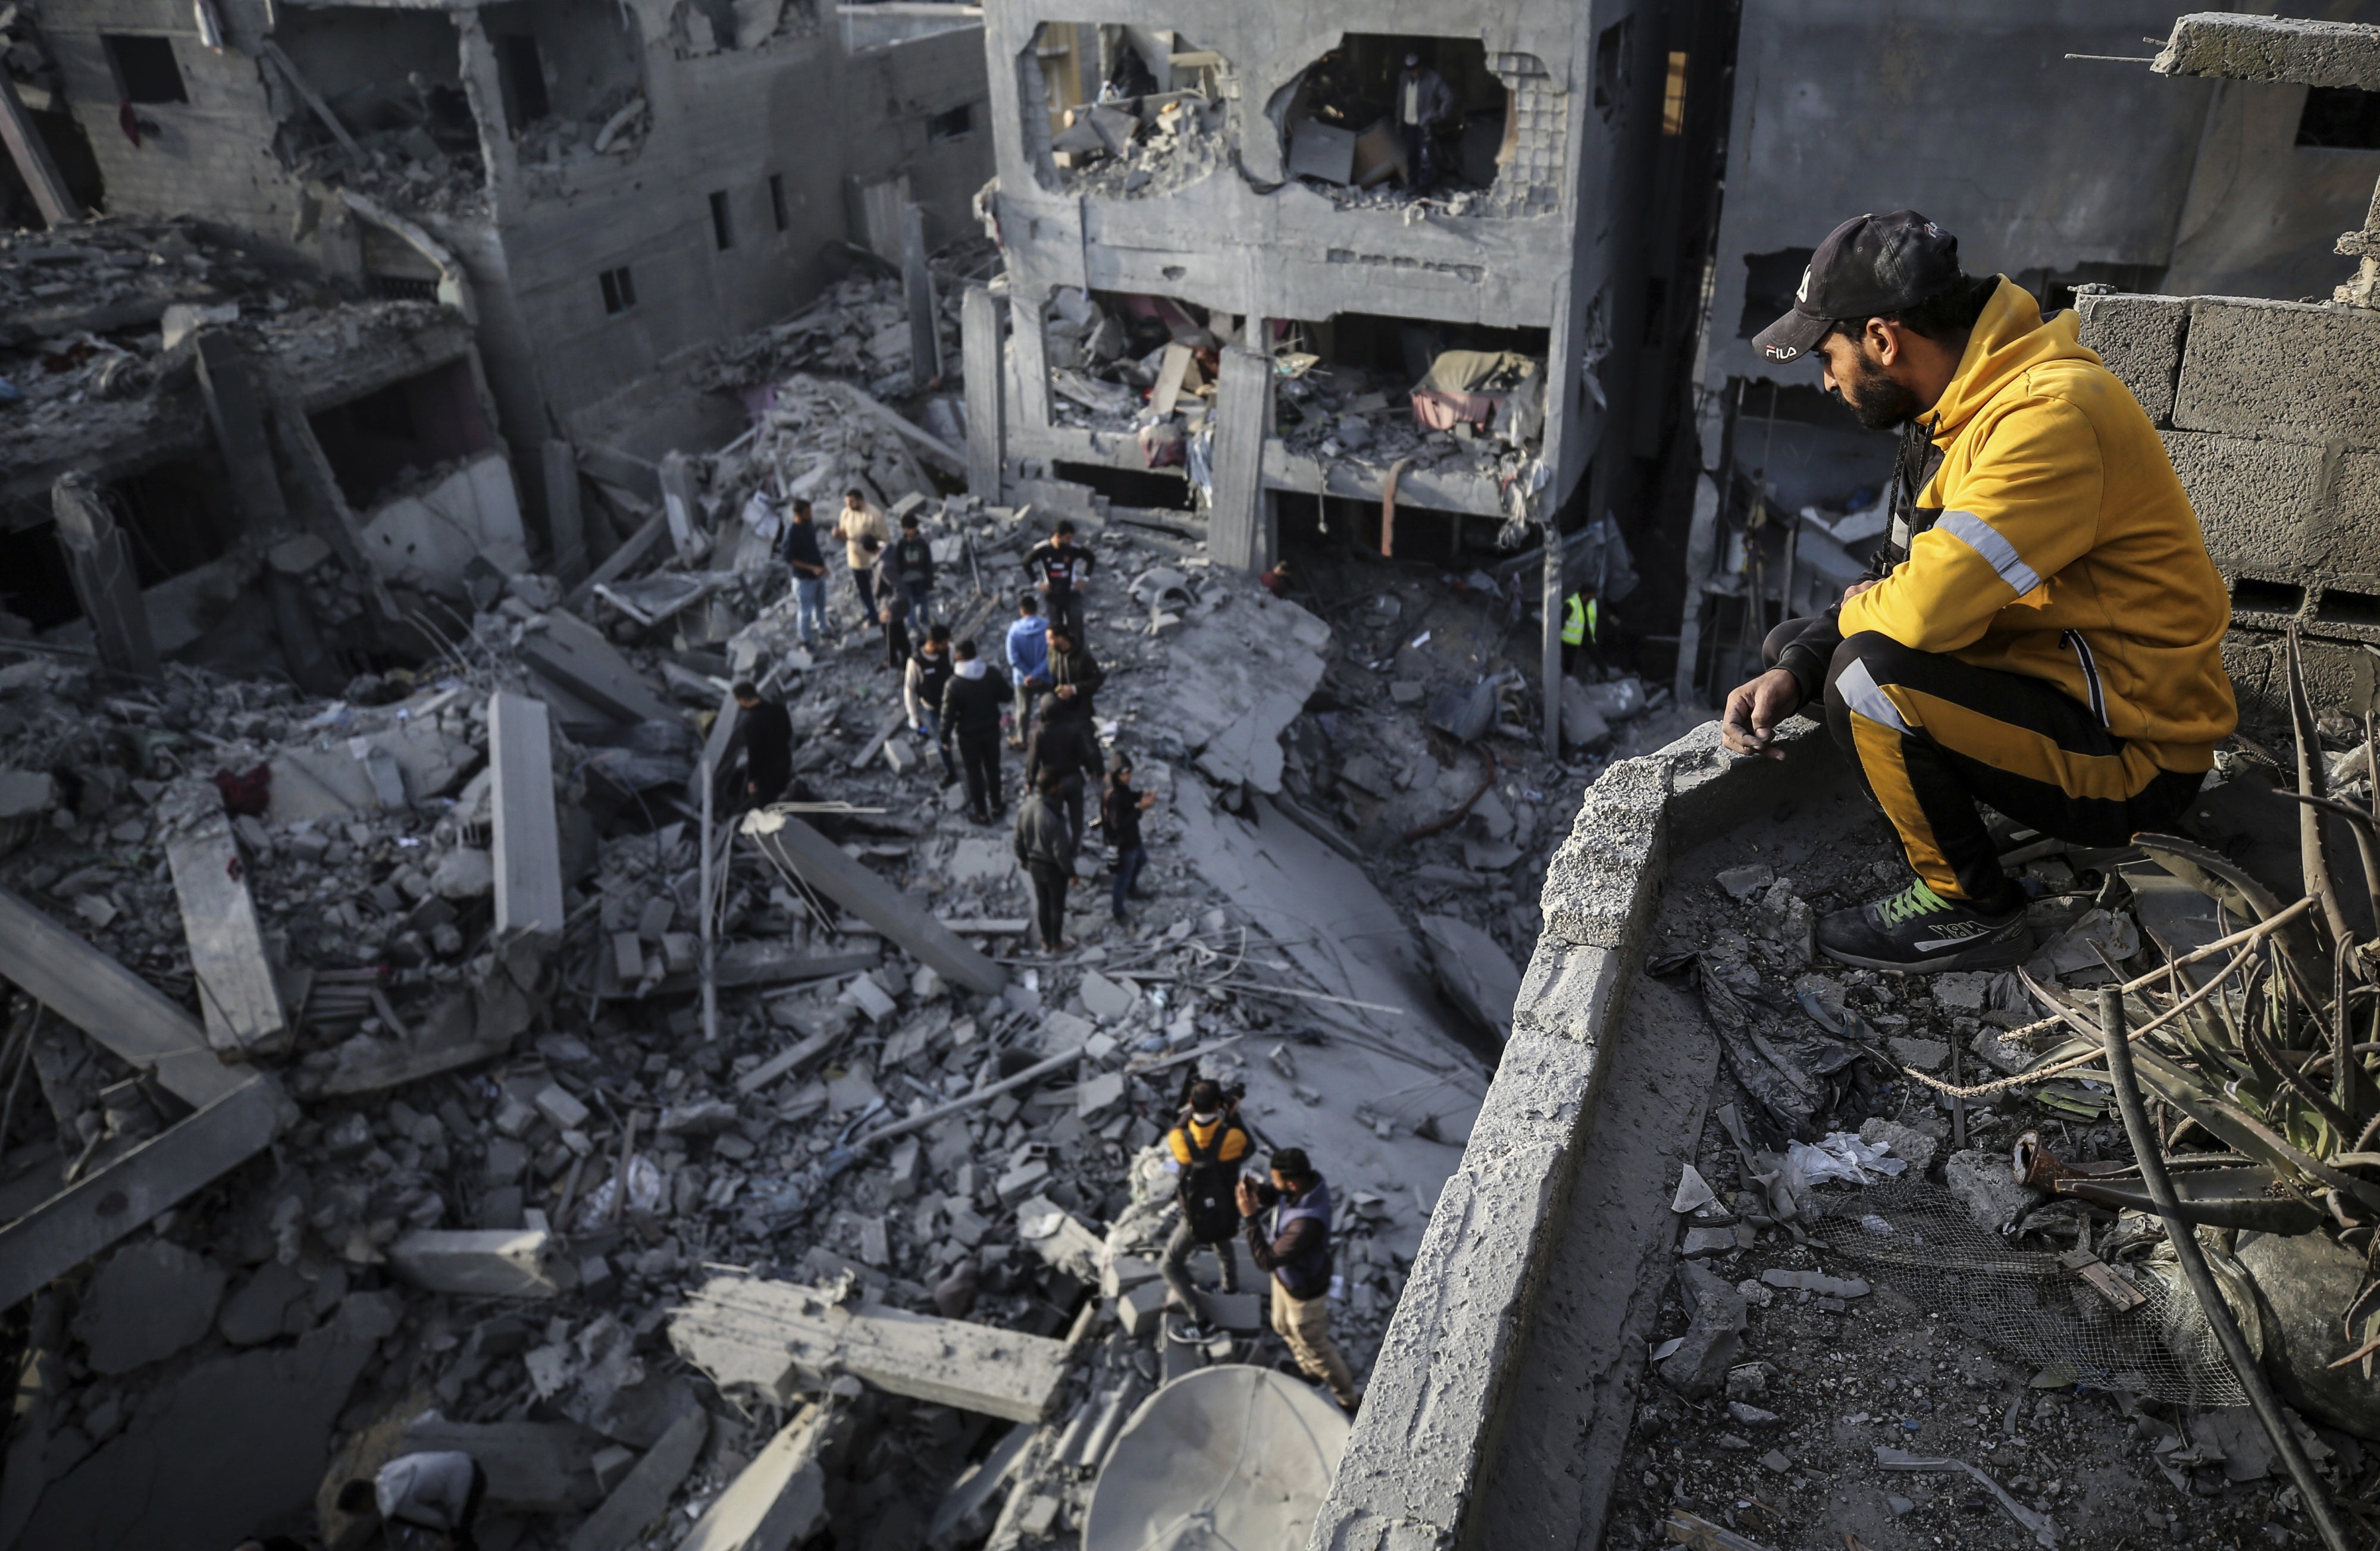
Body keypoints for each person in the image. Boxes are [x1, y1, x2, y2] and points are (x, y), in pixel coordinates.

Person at [1723, 210, 2234, 973]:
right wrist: (1792, 667)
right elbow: (1895, 584)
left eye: (1826, 356)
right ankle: (1969, 814)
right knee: (1800, 651)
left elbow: (1920, 610)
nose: (1826, 381)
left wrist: (1846, 633)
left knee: (1864, 681)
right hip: (2059, 681)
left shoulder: (2047, 418)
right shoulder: (1956, 414)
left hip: (2134, 756)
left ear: (1883, 339)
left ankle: (1969, 907)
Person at [1236, 1148, 1358, 1412]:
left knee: (1316, 1346)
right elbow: (1280, 1194)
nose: (1274, 1184)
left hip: (1305, 1293)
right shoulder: (1308, 1184)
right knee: (1282, 1326)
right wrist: (1261, 1191)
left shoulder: (1306, 1224)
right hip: (1285, 1280)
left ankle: (1347, 1397)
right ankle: (1309, 1373)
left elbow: (1266, 1260)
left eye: (1276, 1180)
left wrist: (1249, 1216)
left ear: (1292, 1183)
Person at [1159, 1077, 1251, 1334]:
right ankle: (1230, 1289)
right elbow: (1248, 1146)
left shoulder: (1180, 1141)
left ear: (1190, 1102)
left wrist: (1192, 1110)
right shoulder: (1233, 1138)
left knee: (1168, 1266)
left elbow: (1175, 1130)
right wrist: (1232, 1115)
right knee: (1222, 1244)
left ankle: (1202, 1321)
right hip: (1225, 1213)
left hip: (1194, 1217)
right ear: (1218, 1105)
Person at [334, 1449, 486, 1550]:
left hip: (470, 1481)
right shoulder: (388, 1472)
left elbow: (437, 1521)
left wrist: (449, 1539)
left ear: (363, 1502)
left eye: (356, 1511)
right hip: (465, 1461)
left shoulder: (394, 1506)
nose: (359, 1514)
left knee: (459, 1541)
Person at [943, 638, 1010, 823]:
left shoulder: (953, 683)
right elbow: (1008, 695)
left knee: (974, 774)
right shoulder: (991, 674)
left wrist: (945, 738)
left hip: (968, 736)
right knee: (993, 769)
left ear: (958, 657)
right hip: (991, 731)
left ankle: (982, 814)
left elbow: (948, 714)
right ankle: (997, 806)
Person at [1013, 767, 1077, 953]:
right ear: (1053, 788)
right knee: (1057, 907)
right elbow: (1061, 852)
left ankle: (1046, 941)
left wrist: (1023, 858)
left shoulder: (1025, 808)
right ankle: (1057, 943)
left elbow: (1018, 839)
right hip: (1053, 868)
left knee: (1043, 903)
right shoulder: (1054, 817)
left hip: (1034, 864)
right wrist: (1071, 873)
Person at [1024, 693, 1100, 845]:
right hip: (1074, 778)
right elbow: (1084, 753)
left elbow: (1033, 760)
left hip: (1052, 783)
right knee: (1076, 816)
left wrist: (1030, 781)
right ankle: (1076, 845)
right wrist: (1092, 770)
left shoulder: (1039, 733)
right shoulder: (1073, 729)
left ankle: (1057, 846)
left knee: (1053, 815)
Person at [1103, 751, 1155, 925]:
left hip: (1133, 837)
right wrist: (1140, 809)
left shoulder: (1120, 788)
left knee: (1142, 860)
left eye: (1130, 773)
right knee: (1121, 877)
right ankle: (1118, 911)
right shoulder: (1114, 796)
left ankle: (1132, 889)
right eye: (1125, 774)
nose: (1129, 777)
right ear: (1117, 774)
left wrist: (1140, 795)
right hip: (1123, 842)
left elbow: (1128, 797)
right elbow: (1119, 825)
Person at [905, 622, 959, 787]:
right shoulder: (916, 662)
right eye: (944, 643)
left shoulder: (950, 650)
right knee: (942, 742)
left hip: (953, 703)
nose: (947, 645)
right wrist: (913, 716)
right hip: (933, 709)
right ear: (932, 644)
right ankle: (951, 772)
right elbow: (909, 689)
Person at [1025, 519, 1094, 646]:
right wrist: (1037, 583)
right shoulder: (1043, 548)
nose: (1070, 541)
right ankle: (1058, 660)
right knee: (1056, 631)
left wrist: (1085, 579)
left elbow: (1091, 558)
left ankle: (1078, 658)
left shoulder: (1073, 548)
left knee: (1076, 629)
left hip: (1071, 593)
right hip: (1052, 595)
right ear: (1058, 536)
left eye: (1071, 538)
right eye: (1067, 538)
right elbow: (1026, 563)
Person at [724, 681, 793, 808]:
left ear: (743, 700)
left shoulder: (751, 722)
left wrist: (752, 780)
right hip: (785, 762)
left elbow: (755, 753)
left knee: (766, 807)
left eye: (738, 701)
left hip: (766, 773)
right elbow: (789, 733)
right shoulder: (779, 709)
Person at [1395, 54, 1455, 193]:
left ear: (1421, 67)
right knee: (1411, 156)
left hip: (1425, 126)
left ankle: (1425, 189)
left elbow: (1448, 98)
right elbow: (1400, 99)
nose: (1414, 73)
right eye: (1411, 70)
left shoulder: (1434, 79)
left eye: (1416, 69)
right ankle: (1412, 185)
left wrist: (1437, 115)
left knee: (1426, 158)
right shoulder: (1404, 78)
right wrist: (1398, 119)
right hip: (1409, 124)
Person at [834, 488, 889, 628]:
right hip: (855, 561)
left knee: (880, 590)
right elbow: (845, 535)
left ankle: (885, 613)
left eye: (851, 502)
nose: (849, 505)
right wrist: (838, 535)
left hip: (873, 562)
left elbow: (885, 540)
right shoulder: (846, 514)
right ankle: (871, 615)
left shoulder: (874, 514)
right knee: (864, 590)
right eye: (847, 502)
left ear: (860, 500)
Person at [779, 497, 830, 647]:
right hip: (804, 580)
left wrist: (821, 566)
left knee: (820, 607)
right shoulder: (792, 533)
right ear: (798, 514)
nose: (811, 515)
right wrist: (812, 568)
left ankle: (824, 630)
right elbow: (789, 558)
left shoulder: (809, 525)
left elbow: (814, 548)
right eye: (807, 513)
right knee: (806, 611)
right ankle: (806, 640)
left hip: (818, 576)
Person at [1005, 595, 1052, 747]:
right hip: (1046, 677)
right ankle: (1052, 737)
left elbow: (1013, 659)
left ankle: (1022, 740)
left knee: (1023, 710)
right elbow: (1052, 655)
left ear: (1022, 611)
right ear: (1036, 609)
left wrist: (1029, 675)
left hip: (1022, 680)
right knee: (1050, 706)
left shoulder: (1014, 630)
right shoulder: (1047, 627)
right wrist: (1037, 674)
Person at [1044, 622, 1106, 723]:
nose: (1048, 642)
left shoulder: (1082, 656)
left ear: (1060, 638)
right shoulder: (1052, 652)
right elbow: (1054, 677)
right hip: (1060, 708)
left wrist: (1073, 689)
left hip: (1081, 708)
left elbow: (1097, 680)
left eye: (1050, 639)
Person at [869, 540, 910, 671]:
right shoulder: (887, 553)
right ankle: (891, 659)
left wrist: (890, 609)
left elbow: (900, 590)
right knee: (888, 635)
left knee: (900, 638)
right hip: (885, 605)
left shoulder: (885, 565)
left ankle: (906, 667)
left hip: (892, 608)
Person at [891, 509, 936, 627]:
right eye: (907, 528)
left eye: (911, 528)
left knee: (924, 602)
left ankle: (924, 620)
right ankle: (913, 626)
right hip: (906, 580)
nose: (910, 531)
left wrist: (930, 580)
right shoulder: (901, 544)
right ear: (903, 529)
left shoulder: (922, 543)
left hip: (921, 578)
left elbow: (928, 562)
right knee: (910, 604)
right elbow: (898, 562)